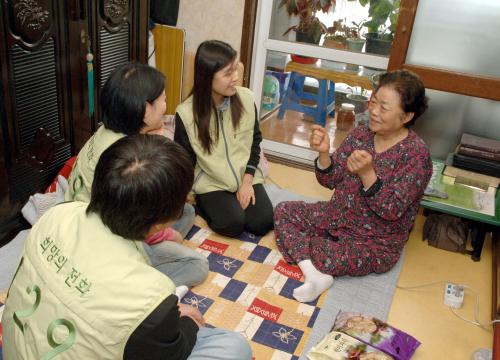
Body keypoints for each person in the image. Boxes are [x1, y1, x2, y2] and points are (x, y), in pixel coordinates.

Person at [1, 135, 252, 360]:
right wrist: (187, 323)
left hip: (15, 349)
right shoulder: (151, 293)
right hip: (142, 322)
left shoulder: (56, 216)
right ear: (162, 221)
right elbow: (174, 350)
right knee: (234, 345)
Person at [274, 70, 433, 303]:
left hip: (372, 240)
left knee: (324, 254)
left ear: (407, 116)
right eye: (374, 102)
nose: (374, 112)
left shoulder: (416, 156)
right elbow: (331, 180)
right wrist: (324, 154)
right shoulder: (361, 133)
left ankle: (314, 263)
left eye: (384, 108)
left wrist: (368, 174)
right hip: (335, 216)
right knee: (283, 211)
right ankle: (313, 274)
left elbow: (391, 210)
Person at [65, 62, 208, 288]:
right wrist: (168, 236)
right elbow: (135, 222)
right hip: (105, 241)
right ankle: (130, 282)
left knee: (186, 211)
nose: (166, 104)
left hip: (98, 218)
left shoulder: (108, 132)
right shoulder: (131, 160)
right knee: (197, 266)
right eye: (162, 99)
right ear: (145, 109)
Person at [174, 40, 273, 238]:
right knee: (232, 224)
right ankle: (203, 203)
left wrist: (247, 182)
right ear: (207, 77)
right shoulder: (186, 114)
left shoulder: (246, 99)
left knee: (263, 223)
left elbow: (255, 143)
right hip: (212, 182)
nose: (235, 78)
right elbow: (184, 161)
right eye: (228, 73)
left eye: (235, 70)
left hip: (245, 177)